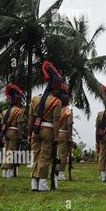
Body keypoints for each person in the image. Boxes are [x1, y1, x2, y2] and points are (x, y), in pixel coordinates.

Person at [28, 61, 63, 191]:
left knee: (35, 155)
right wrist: (56, 136)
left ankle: (33, 183)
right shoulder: (56, 101)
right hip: (48, 130)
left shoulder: (35, 99)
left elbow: (31, 118)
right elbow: (55, 121)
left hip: (35, 130)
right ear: (56, 87)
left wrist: (29, 133)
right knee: (45, 156)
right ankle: (42, 184)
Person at [0, 84, 24, 178]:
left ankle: (4, 171)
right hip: (14, 132)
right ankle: (9, 171)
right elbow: (20, 124)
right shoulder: (19, 111)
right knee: (11, 152)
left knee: (6, 151)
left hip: (6, 132)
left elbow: (3, 124)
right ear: (16, 100)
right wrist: (20, 136)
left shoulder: (4, 111)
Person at [56, 84, 73, 181]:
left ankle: (57, 171)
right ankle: (60, 173)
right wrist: (70, 137)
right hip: (64, 133)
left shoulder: (58, 109)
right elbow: (69, 124)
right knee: (63, 155)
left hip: (57, 133)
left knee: (58, 154)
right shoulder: (68, 111)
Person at [95, 84, 106, 182]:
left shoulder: (100, 114)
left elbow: (97, 129)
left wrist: (97, 139)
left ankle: (102, 176)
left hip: (101, 136)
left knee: (102, 154)